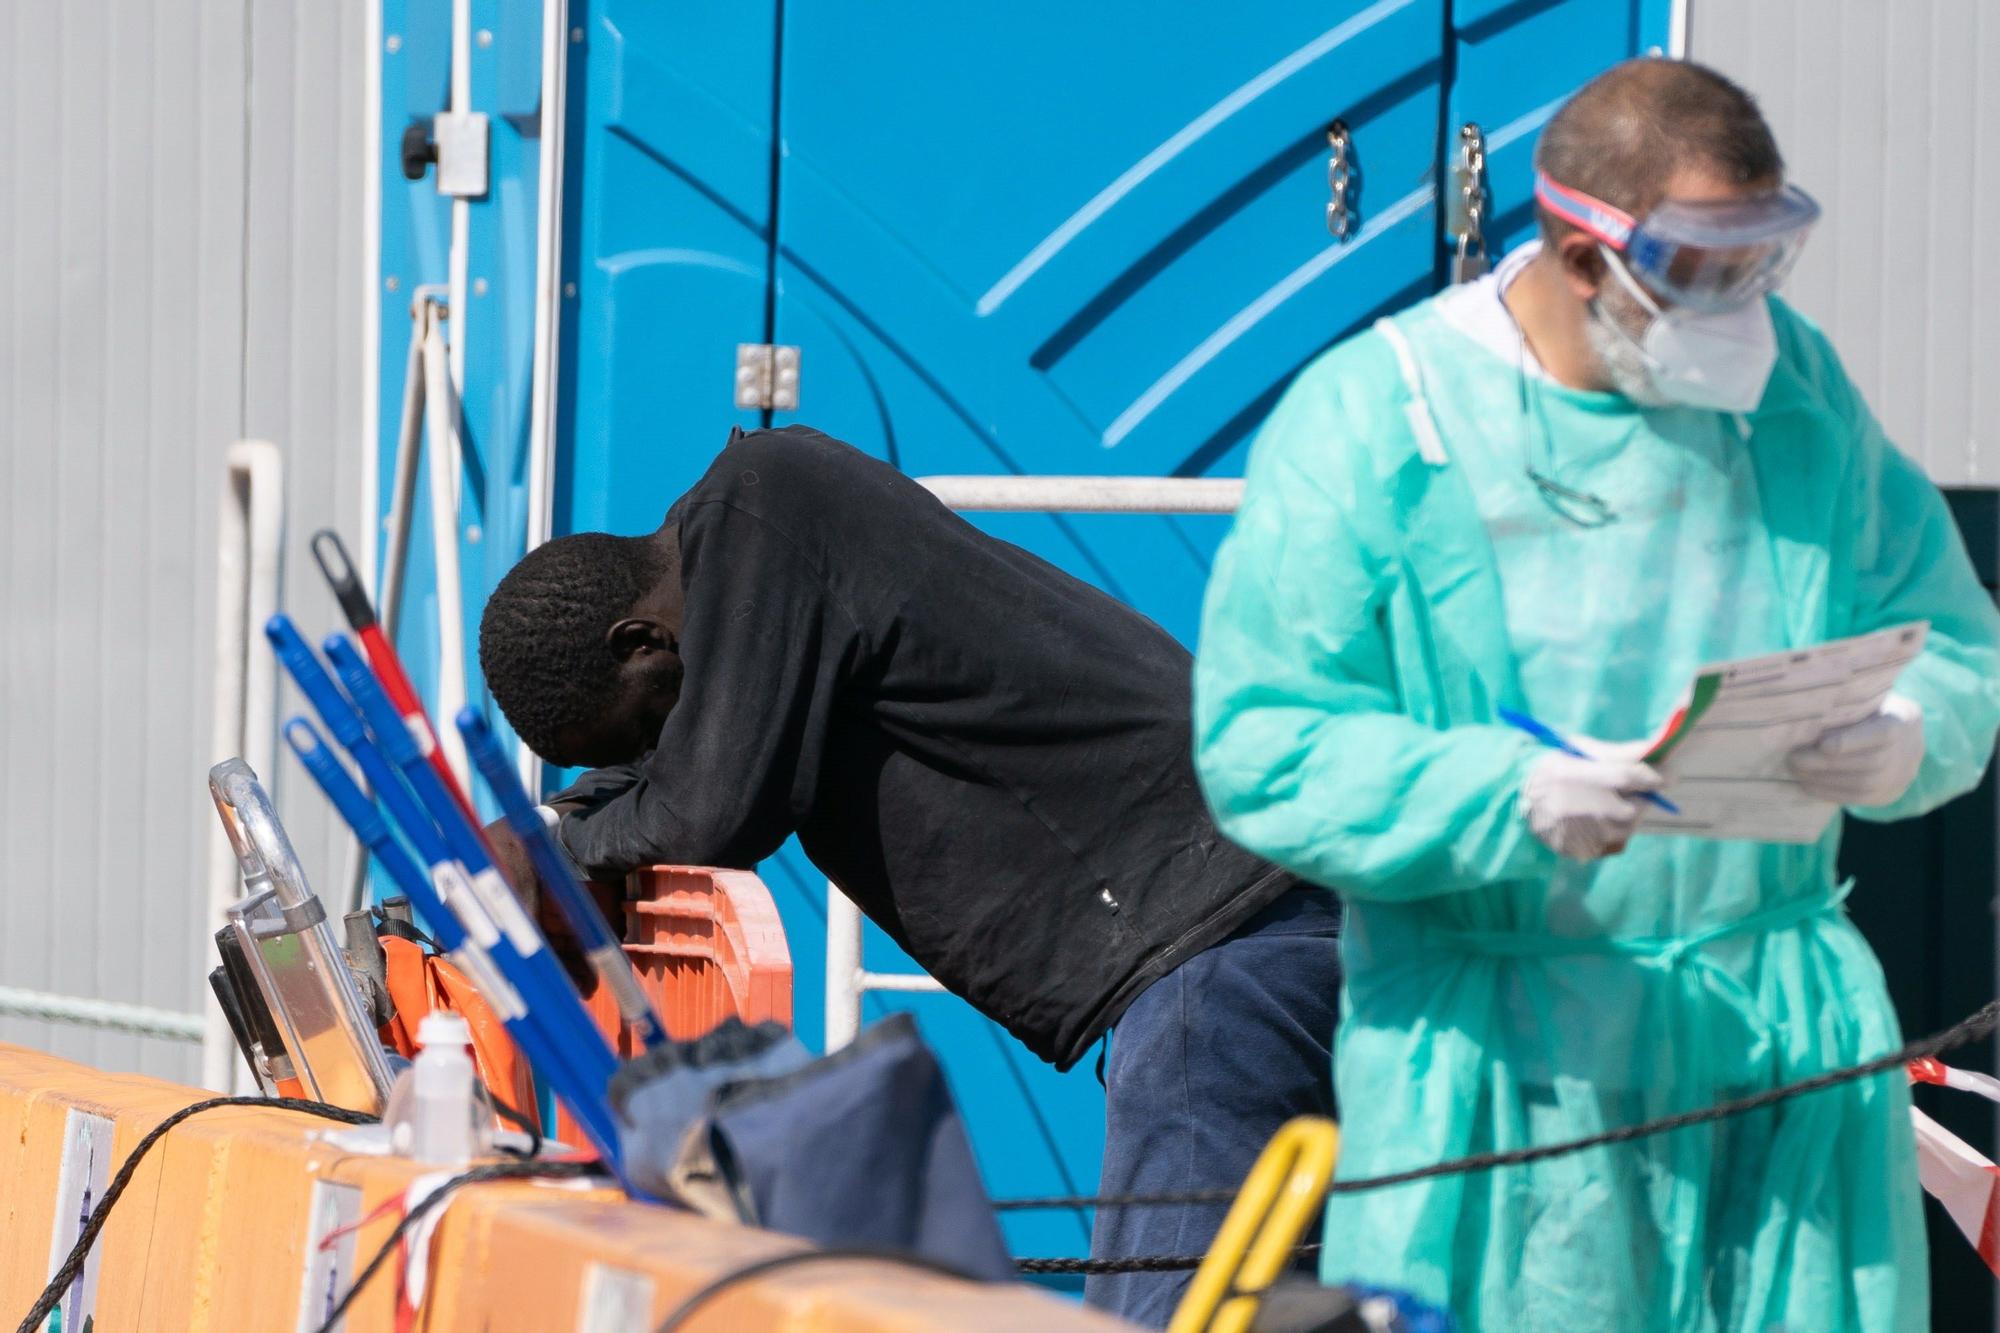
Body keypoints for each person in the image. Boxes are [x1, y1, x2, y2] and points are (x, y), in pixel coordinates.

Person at [1193, 57, 2000, 1332]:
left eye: (1760, 260)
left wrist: (1908, 732)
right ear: (1580, 256)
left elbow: (1949, 634)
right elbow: (1263, 741)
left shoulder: (1788, 396)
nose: (1741, 307)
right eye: (1700, 269)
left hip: (1774, 1050)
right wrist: (1494, 794)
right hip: (1505, 1069)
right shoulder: (1378, 425)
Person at [475, 424, 1337, 1325]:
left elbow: (706, 809)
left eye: (645, 728)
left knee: (1173, 1316)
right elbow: (680, 775)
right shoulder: (760, 548)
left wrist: (557, 854)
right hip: (1225, 938)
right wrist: (563, 819)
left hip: (1217, 951)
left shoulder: (764, 502)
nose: (654, 751)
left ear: (642, 642)